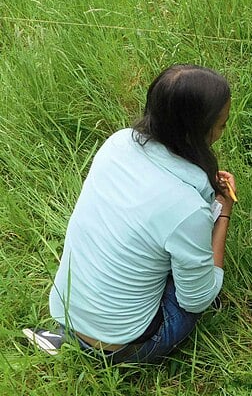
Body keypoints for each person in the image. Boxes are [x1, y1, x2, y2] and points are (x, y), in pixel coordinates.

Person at [23, 64, 237, 364]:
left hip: (67, 309)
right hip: (123, 344)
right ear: (197, 130)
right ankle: (108, 356)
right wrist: (223, 213)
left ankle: (66, 339)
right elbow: (197, 298)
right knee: (191, 287)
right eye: (222, 125)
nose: (223, 131)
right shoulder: (186, 207)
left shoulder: (118, 143)